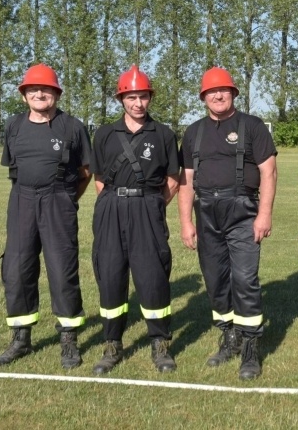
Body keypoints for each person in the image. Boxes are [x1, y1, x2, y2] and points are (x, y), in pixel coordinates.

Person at [178, 67, 277, 380]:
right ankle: (229, 336)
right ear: (203, 97)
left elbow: (269, 172)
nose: (218, 96)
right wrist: (185, 221)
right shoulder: (194, 131)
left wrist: (264, 214)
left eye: (224, 91)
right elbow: (186, 181)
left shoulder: (252, 126)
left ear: (234, 93)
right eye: (211, 92)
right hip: (206, 212)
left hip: (242, 211)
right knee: (216, 280)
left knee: (245, 279)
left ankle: (250, 347)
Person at [0, 63, 92, 370]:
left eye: (45, 90)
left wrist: (65, 198)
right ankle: (21, 340)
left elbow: (86, 172)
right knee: (17, 269)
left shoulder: (72, 127)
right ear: (24, 96)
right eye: (32, 90)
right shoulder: (13, 126)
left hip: (58, 200)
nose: (39, 94)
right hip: (21, 199)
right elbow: (13, 168)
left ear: (56, 94)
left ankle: (69, 340)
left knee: (62, 270)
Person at [89, 65, 181, 374]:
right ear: (121, 99)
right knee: (111, 276)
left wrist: (150, 205)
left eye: (142, 97)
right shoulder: (104, 133)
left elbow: (172, 180)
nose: (137, 103)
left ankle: (159, 344)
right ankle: (112, 344)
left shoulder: (164, 134)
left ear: (150, 98)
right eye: (131, 97)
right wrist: (118, 200)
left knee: (152, 277)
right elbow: (99, 178)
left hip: (147, 208)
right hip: (111, 208)